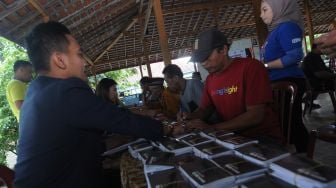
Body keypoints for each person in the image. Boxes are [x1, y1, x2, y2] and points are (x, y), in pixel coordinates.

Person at [14, 21, 183, 188]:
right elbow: (119, 119)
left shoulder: (35, 92)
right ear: (60, 60)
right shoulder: (65, 89)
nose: (84, 63)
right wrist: (167, 129)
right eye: (79, 54)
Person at [183, 28, 280, 140]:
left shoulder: (251, 67)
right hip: (232, 138)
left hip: (262, 138)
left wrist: (213, 128)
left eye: (207, 57)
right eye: (200, 60)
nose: (204, 63)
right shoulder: (210, 79)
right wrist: (190, 117)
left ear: (223, 50)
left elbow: (255, 116)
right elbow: (205, 110)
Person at [260, 0, 309, 152]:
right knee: (283, 122)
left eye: (264, 10)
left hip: (288, 81)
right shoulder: (274, 31)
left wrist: (266, 66)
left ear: (278, 8)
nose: (261, 15)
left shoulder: (287, 27)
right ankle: (296, 155)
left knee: (290, 122)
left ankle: (306, 157)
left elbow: (295, 55)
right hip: (277, 82)